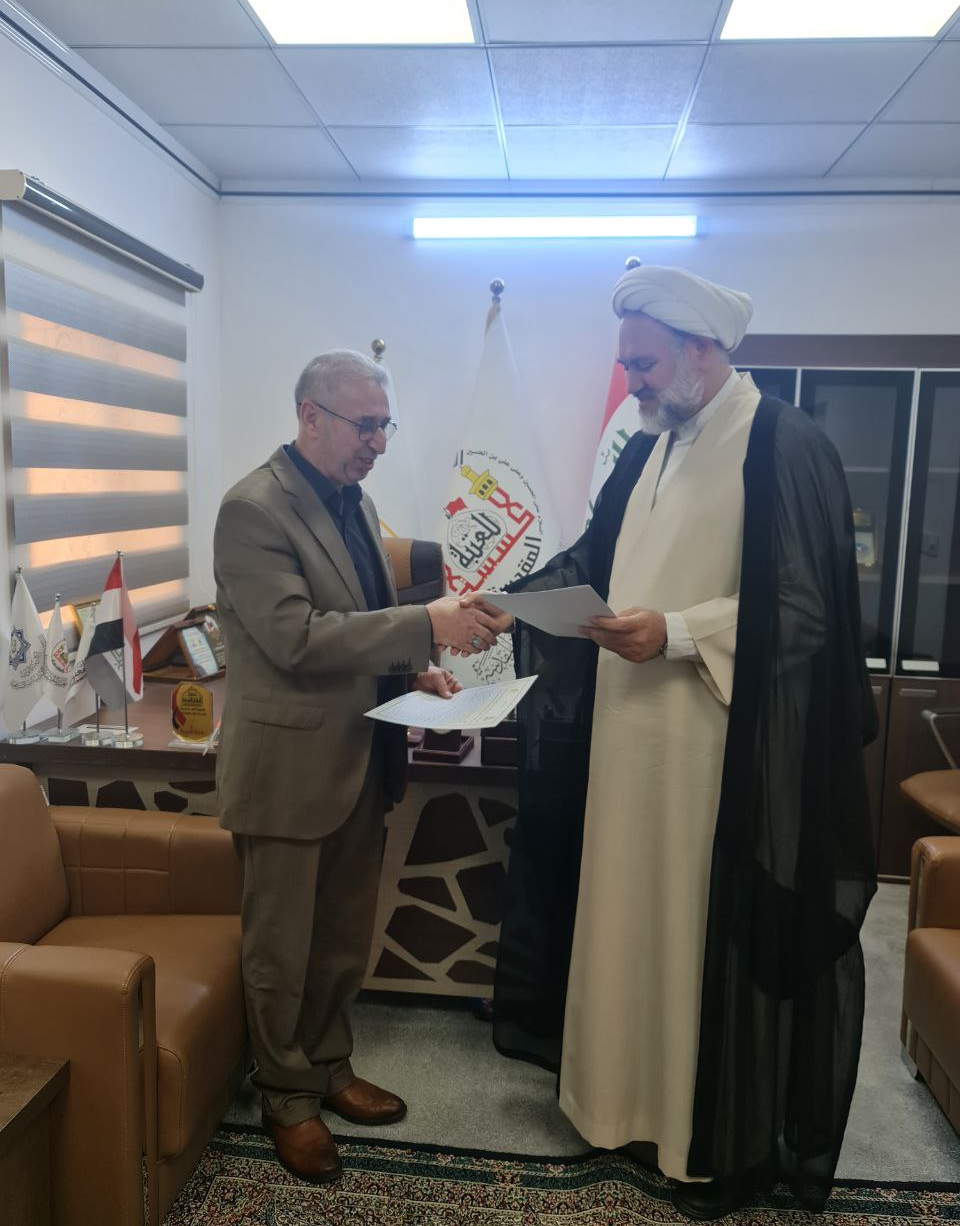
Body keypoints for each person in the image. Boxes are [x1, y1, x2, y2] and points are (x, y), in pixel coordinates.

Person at [473, 265, 878, 1218]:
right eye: (628, 366)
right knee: (622, 918)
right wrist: (510, 598)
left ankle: (695, 1137)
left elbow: (806, 610)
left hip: (712, 756)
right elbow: (592, 557)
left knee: (688, 937)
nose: (634, 383)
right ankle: (614, 1107)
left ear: (703, 351)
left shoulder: (782, 443)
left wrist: (680, 633)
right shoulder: (647, 449)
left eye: (645, 364)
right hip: (625, 744)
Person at [213, 350, 496, 1184]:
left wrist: (414, 670)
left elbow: (363, 619)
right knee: (281, 951)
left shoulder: (357, 501)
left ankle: (330, 1065)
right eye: (364, 426)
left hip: (363, 757)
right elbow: (297, 639)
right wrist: (428, 626)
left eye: (384, 425)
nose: (378, 442)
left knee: (340, 941)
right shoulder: (252, 510)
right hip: (286, 771)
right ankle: (286, 1094)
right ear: (310, 416)